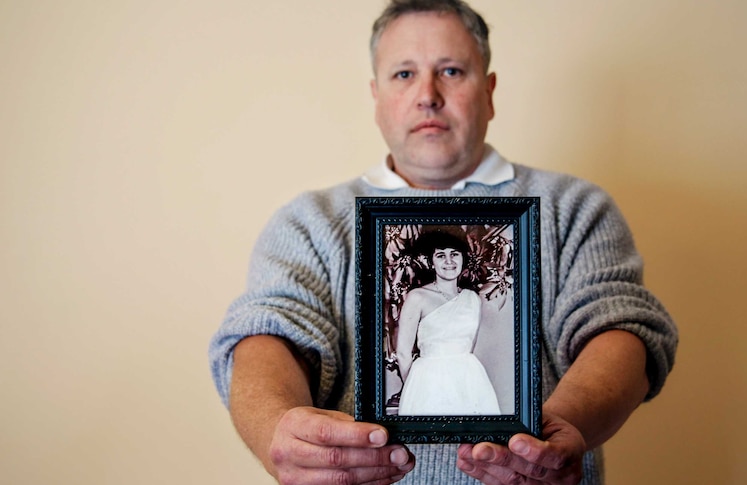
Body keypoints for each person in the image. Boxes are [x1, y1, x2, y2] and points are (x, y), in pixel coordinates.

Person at [209, 0, 678, 484]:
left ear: (490, 91)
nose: (427, 95)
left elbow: (618, 326)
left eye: (451, 71)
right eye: (404, 74)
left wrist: (556, 433)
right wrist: (275, 428)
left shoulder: (576, 207)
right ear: (375, 96)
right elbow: (272, 330)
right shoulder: (308, 221)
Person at [395, 229, 501, 416]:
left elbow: (470, 345)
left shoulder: (472, 299)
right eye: (441, 255)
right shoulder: (417, 297)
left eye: (454, 254)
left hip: (469, 380)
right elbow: (403, 353)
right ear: (431, 261)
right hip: (428, 381)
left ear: (463, 258)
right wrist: (415, 387)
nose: (449, 261)